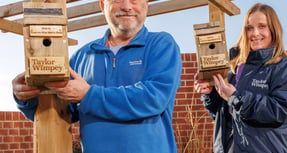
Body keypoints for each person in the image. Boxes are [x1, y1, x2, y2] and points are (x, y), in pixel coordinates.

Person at [12, 0, 182, 152]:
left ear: (146, 4)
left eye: (134, 0)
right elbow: (62, 112)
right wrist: (28, 98)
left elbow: (153, 98)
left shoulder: (161, 44)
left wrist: (88, 95)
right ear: (102, 5)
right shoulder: (82, 56)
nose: (126, 6)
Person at [194, 3, 287, 153]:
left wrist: (236, 98)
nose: (255, 33)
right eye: (249, 28)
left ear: (273, 29)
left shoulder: (283, 68)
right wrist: (210, 94)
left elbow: (280, 111)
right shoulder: (235, 67)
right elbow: (221, 115)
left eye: (262, 26)